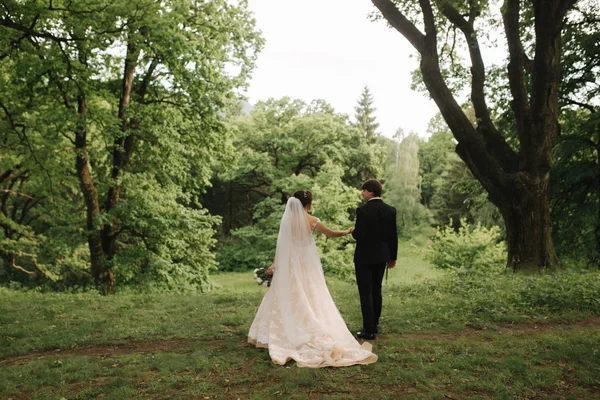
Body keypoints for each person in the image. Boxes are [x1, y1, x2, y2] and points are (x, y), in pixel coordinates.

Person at [248, 190, 378, 368]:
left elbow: (281, 246)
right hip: (306, 265)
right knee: (311, 293)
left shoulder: (286, 220)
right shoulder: (312, 220)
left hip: (289, 264)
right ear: (308, 204)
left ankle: (277, 332)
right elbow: (331, 233)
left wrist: (274, 265)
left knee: (285, 295)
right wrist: (347, 231)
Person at [351, 179, 398, 340]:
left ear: (371, 192)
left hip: (364, 257)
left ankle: (368, 329)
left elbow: (359, 235)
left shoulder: (362, 210)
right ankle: (375, 324)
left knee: (366, 292)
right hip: (382, 257)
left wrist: (353, 231)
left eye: (364, 190)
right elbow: (393, 236)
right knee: (377, 290)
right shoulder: (390, 210)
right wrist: (393, 257)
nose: (362, 193)